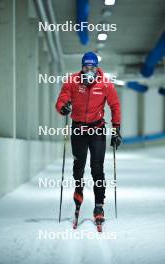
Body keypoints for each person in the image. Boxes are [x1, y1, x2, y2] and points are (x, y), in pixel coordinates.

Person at [55, 51, 122, 224]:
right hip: (78, 129)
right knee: (79, 166)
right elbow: (61, 99)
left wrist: (116, 130)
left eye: (93, 67)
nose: (89, 70)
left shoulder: (105, 84)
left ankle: (99, 205)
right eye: (86, 67)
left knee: (97, 168)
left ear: (97, 68)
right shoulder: (72, 81)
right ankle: (79, 190)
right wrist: (63, 107)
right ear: (82, 67)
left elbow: (115, 106)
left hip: (97, 130)